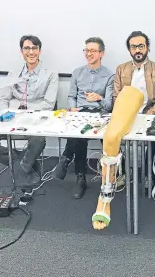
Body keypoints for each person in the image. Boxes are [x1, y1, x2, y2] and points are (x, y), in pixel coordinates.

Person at [53, 37, 114, 199]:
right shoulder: (77, 72)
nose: (88, 54)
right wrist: (72, 108)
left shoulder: (109, 75)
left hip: (98, 113)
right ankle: (80, 178)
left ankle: (66, 159)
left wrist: (98, 98)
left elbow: (109, 104)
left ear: (102, 53)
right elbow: (72, 96)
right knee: (78, 135)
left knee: (79, 135)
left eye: (93, 51)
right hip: (78, 112)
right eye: (86, 50)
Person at [0, 35, 58, 182]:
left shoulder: (50, 74)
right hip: (13, 117)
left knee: (38, 140)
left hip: (38, 118)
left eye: (34, 48)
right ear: (21, 51)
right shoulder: (13, 73)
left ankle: (23, 167)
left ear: (39, 51)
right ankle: (21, 163)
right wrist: (5, 114)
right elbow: (3, 98)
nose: (30, 52)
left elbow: (49, 104)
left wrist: (25, 108)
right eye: (27, 48)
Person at [114, 30, 155, 187]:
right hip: (125, 114)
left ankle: (146, 173)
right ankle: (122, 171)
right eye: (133, 47)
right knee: (110, 136)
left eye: (141, 46)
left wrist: (148, 115)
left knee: (153, 138)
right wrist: (126, 115)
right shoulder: (121, 69)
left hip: (150, 113)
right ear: (129, 50)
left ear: (147, 48)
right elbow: (116, 97)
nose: (137, 50)